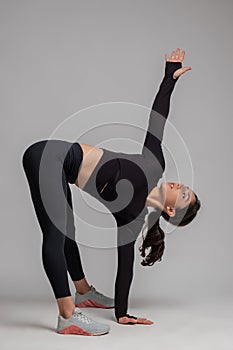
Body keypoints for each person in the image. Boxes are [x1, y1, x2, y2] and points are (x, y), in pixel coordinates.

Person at [22, 48, 201, 336]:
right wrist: (170, 77)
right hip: (47, 155)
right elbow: (157, 121)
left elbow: (125, 267)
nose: (179, 186)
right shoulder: (154, 166)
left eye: (182, 195)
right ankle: (68, 314)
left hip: (55, 168)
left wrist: (123, 313)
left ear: (170, 211)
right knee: (56, 233)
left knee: (65, 232)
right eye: (184, 187)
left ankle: (82, 294)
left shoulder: (132, 219)